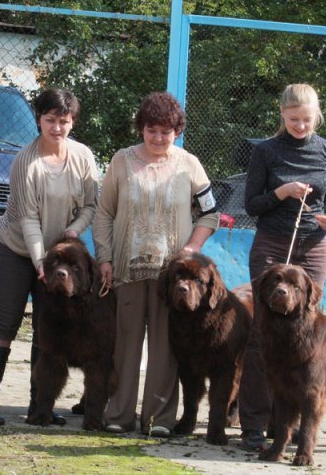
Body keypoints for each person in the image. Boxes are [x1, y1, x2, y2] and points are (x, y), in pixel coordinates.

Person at [92, 91, 220, 437]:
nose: (158, 137)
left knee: (166, 349)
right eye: (152, 130)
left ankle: (159, 419)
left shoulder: (189, 164)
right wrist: (103, 257)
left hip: (173, 278)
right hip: (126, 269)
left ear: (177, 131)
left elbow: (210, 213)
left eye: (166, 131)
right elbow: (104, 213)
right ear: (141, 128)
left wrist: (192, 248)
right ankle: (119, 414)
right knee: (125, 344)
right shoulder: (121, 160)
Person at [238, 83, 326, 450]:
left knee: (305, 339)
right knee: (264, 336)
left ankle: (287, 428)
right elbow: (251, 205)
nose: (300, 126)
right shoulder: (266, 151)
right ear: (282, 115)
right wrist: (281, 193)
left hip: (314, 246)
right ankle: (254, 426)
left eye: (306, 119)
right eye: (293, 119)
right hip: (273, 246)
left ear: (316, 116)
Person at [0, 88, 99, 426]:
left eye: (64, 121)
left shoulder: (83, 157)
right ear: (39, 120)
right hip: (19, 251)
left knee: (47, 329)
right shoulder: (25, 161)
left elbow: (91, 204)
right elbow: (27, 217)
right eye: (50, 120)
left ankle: (40, 405)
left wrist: (75, 229)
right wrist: (38, 263)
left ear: (72, 122)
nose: (57, 128)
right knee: (7, 321)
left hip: (60, 256)